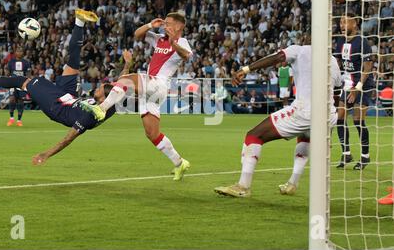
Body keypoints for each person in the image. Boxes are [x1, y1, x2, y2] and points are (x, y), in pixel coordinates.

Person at [0, 9, 125, 165]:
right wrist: (128, 63)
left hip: (57, 106)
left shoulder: (90, 117)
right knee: (73, 62)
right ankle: (79, 21)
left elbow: (68, 139)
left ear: (104, 97)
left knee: (22, 81)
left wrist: (46, 154)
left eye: (99, 89)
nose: (97, 88)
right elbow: (123, 83)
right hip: (69, 97)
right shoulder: (110, 104)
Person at [214, 44, 342, 198]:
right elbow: (336, 92)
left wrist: (245, 69)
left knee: (254, 136)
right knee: (305, 137)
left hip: (305, 111)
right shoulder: (333, 60)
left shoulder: (300, 50)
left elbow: (278, 57)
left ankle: (243, 186)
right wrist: (329, 128)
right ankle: (292, 184)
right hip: (329, 115)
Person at [88, 11, 193, 181]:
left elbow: (187, 56)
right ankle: (179, 162)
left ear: (179, 26)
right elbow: (137, 35)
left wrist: (174, 43)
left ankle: (101, 109)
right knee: (152, 134)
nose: (165, 25)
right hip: (150, 91)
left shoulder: (182, 42)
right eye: (164, 22)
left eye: (168, 23)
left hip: (159, 83)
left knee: (126, 80)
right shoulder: (160, 38)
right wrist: (151, 25)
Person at [335, 13, 374, 170]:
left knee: (357, 120)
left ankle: (365, 156)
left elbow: (368, 67)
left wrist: (357, 88)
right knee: (340, 117)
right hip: (347, 82)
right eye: (340, 22)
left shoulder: (363, 42)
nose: (342, 25)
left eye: (345, 22)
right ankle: (346, 153)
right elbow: (338, 63)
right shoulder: (340, 42)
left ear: (355, 23)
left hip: (363, 84)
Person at [6, 46, 31, 126]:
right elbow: (7, 72)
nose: (19, 52)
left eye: (21, 51)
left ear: (23, 53)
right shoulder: (11, 62)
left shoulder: (26, 62)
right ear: (15, 52)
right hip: (13, 83)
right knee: (12, 99)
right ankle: (11, 118)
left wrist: (27, 82)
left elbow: (28, 74)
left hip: (21, 84)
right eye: (18, 51)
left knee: (20, 101)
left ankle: (19, 120)